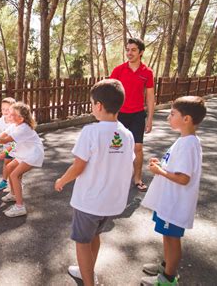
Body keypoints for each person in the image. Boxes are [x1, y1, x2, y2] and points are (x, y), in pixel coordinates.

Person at [54, 79, 135, 286]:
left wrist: (62, 180)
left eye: (91, 104)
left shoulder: (91, 131)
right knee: (95, 236)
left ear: (98, 106)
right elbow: (128, 165)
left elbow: (78, 166)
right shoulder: (127, 134)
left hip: (89, 201)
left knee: (82, 242)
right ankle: (87, 271)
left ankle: (88, 281)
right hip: (111, 203)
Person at [140, 96, 206, 286]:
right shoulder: (185, 140)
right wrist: (161, 165)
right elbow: (178, 169)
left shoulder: (188, 144)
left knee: (172, 238)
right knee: (167, 236)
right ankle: (166, 266)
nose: (168, 117)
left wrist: (159, 171)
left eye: (172, 114)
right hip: (169, 201)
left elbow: (184, 178)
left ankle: (168, 278)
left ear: (186, 119)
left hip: (176, 203)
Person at [110, 37, 155, 192]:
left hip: (137, 114)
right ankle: (115, 179)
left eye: (133, 50)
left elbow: (150, 96)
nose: (129, 53)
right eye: (127, 49)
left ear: (141, 52)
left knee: (138, 147)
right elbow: (110, 93)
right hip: (119, 115)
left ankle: (137, 179)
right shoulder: (118, 70)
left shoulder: (147, 72)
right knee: (116, 147)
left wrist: (149, 119)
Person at [0, 102, 44, 217]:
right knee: (9, 167)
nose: (8, 116)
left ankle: (20, 207)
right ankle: (14, 194)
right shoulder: (14, 126)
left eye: (12, 114)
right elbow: (2, 136)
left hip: (33, 154)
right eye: (9, 113)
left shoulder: (24, 128)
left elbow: (5, 140)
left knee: (14, 175)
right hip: (24, 153)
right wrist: (3, 149)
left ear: (21, 118)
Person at [0, 97, 16, 191]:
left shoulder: (16, 122)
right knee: (6, 163)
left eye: (8, 109)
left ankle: (17, 184)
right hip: (7, 148)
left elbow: (17, 142)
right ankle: (4, 181)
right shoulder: (1, 121)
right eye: (3, 109)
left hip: (19, 148)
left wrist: (6, 151)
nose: (5, 111)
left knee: (16, 168)